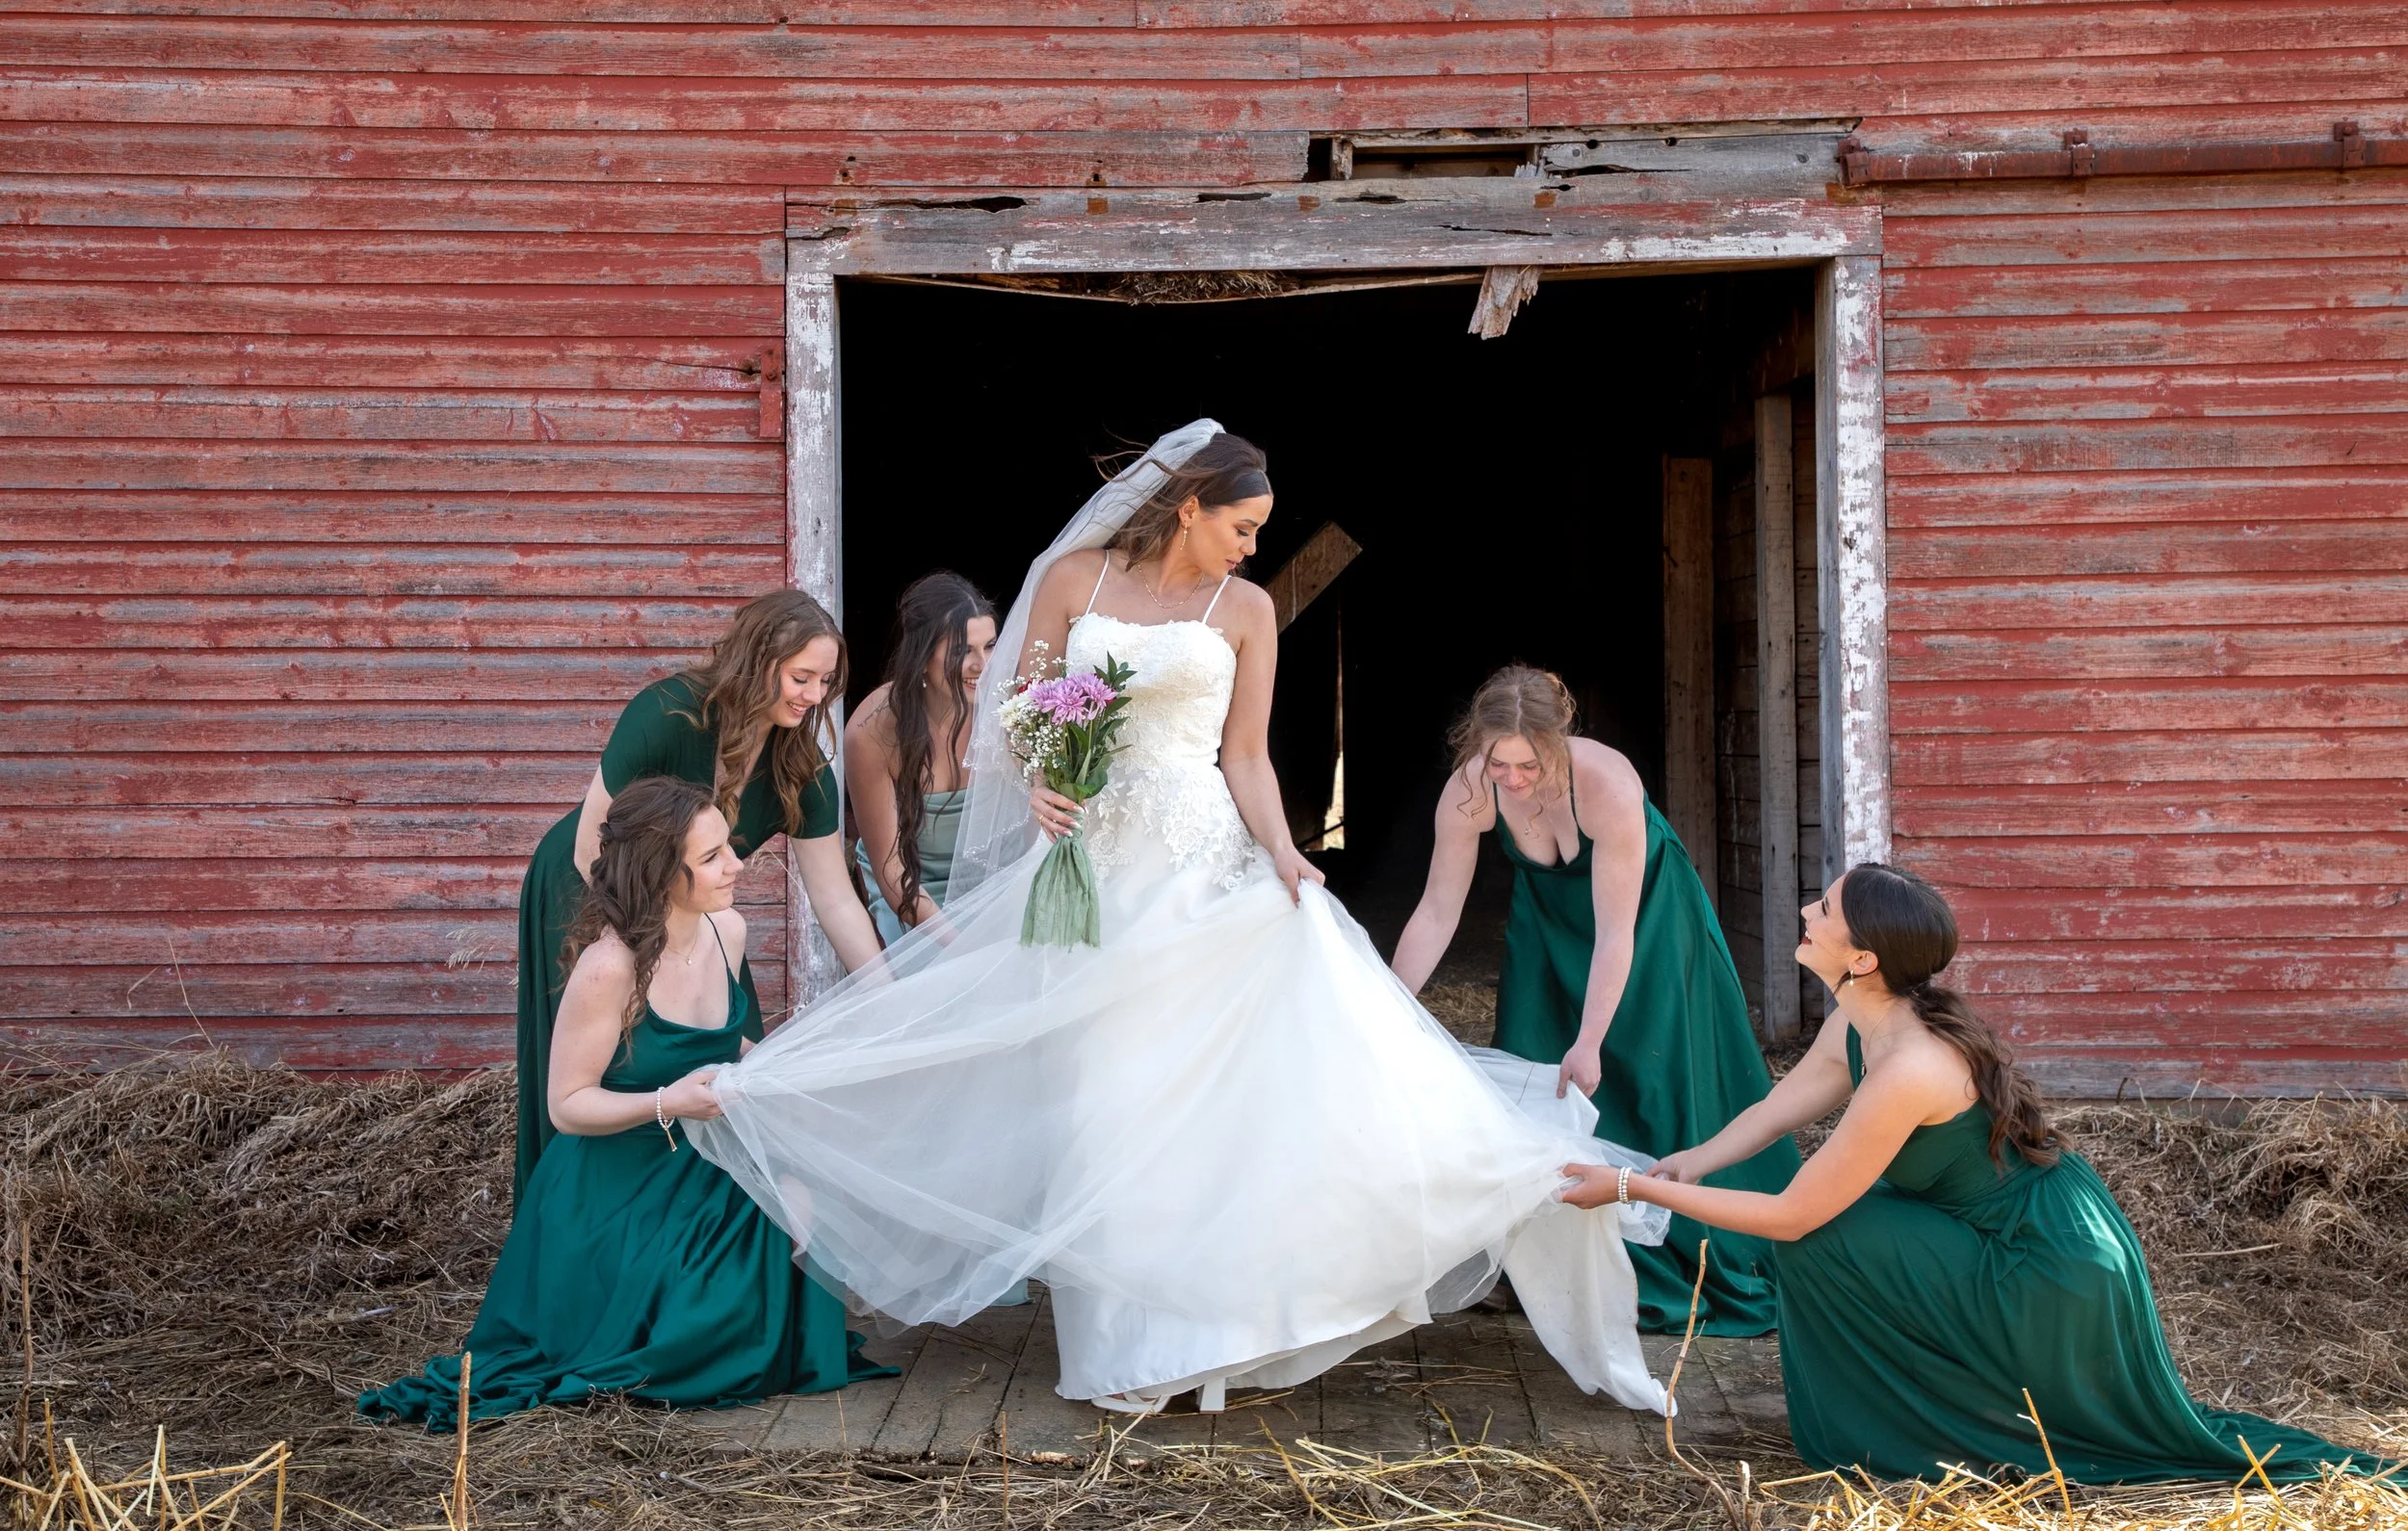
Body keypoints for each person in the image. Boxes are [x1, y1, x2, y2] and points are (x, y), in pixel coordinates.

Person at [693, 420, 1668, 1418]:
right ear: (1191, 505)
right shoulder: (1073, 579)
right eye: (1243, 524)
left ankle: (1216, 1341)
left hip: (1200, 861)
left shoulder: (1244, 607)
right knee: (1105, 1097)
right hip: (1089, 863)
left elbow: (1242, 754)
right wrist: (1039, 783)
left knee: (1214, 1102)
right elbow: (1020, 713)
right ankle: (1126, 1352)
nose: (1253, 545)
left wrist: (1287, 855)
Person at [1560, 862, 2390, 1484]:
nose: (1808, 911)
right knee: (1835, 1226)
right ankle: (1907, 1408)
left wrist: (1633, 1187)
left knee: (1816, 1235)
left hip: (2045, 1264)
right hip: (2009, 1225)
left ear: (1863, 959)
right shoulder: (1867, 1017)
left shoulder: (1909, 1065)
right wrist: (1690, 1160)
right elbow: (1781, 1108)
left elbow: (1789, 1214)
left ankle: (1920, 1429)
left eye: (1826, 910)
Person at [362, 777, 892, 1428]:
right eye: (711, 857)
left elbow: (731, 1042)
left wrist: (787, 1065)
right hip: (615, 1185)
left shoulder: (728, 931)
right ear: (662, 873)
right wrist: (669, 1099)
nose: (736, 865)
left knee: (803, 1200)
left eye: (728, 846)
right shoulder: (609, 966)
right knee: (693, 1328)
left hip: (703, 1158)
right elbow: (566, 1104)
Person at [1390, 667, 1797, 1336]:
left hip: (1648, 927)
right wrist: (1392, 1005)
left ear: (1559, 742)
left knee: (1650, 1072)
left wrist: (1590, 1039)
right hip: (1548, 930)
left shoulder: (1606, 783)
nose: (1513, 778)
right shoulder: (1469, 792)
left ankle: (1676, 1250)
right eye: (1499, 762)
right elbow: (1437, 912)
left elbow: (1617, 934)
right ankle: (1546, 1261)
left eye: (1529, 762)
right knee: (1536, 1076)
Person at [512, 590, 884, 1193]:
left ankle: (712, 1228)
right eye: (801, 677)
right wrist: (642, 953)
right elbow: (590, 850)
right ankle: (574, 1219)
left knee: (736, 1055)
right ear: (758, 659)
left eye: (826, 681)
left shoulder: (802, 763)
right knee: (600, 1061)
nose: (816, 696)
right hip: (591, 894)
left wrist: (890, 996)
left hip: (694, 914)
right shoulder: (666, 713)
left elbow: (836, 898)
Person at [846, 572, 999, 946]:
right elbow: (892, 870)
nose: (983, 665)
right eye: (963, 651)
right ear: (923, 653)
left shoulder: (1012, 709)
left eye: (991, 646)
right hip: (910, 893)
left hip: (993, 886)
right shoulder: (873, 730)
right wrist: (958, 948)